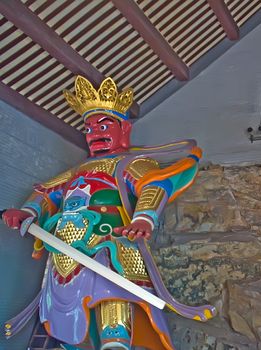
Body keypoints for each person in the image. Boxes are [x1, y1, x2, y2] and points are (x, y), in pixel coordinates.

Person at [2, 76, 215, 350]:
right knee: (66, 309)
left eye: (103, 125)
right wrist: (27, 211)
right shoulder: (76, 171)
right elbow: (47, 193)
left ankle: (116, 343)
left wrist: (143, 218)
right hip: (65, 247)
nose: (94, 133)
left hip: (111, 240)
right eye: (88, 129)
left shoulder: (132, 163)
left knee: (113, 291)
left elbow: (153, 184)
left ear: (124, 129)